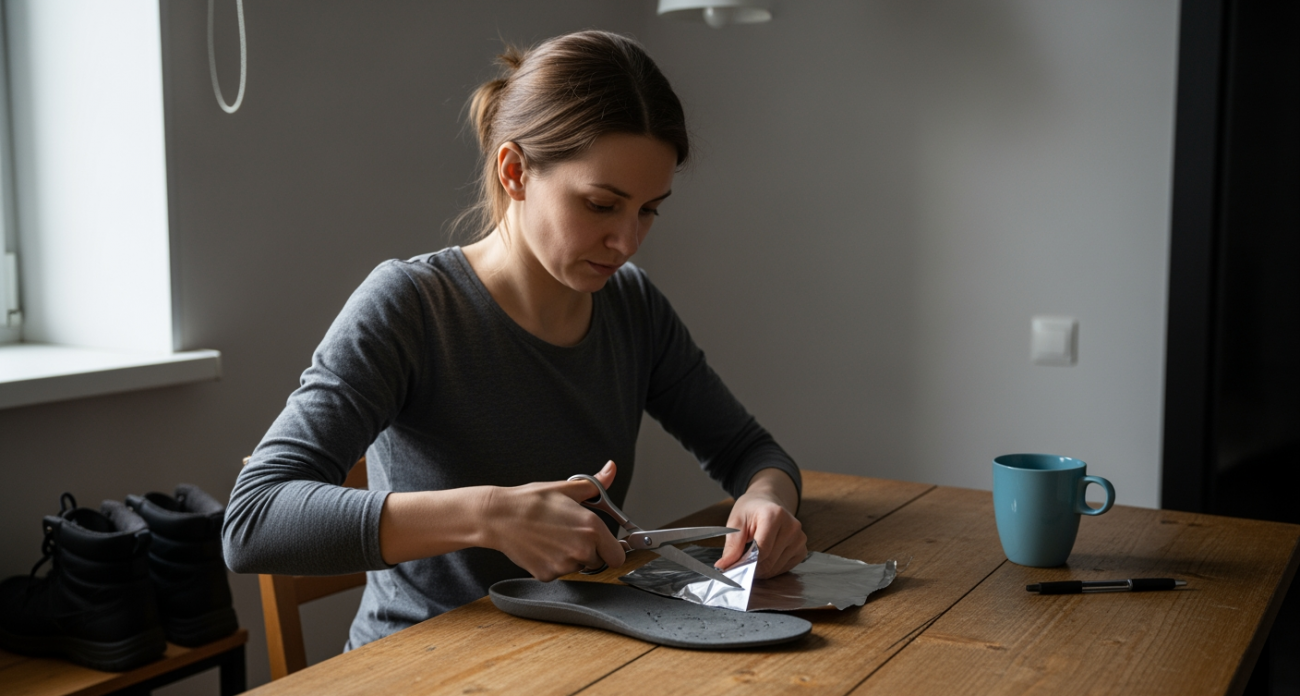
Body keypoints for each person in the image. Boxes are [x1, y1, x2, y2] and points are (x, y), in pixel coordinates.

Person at [223, 30, 807, 650]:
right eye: (601, 205)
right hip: (419, 666)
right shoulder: (411, 306)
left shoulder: (631, 305)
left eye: (648, 210)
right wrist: (491, 514)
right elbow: (255, 519)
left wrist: (769, 500)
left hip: (578, 654)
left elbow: (750, 450)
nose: (628, 241)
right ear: (514, 171)